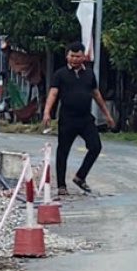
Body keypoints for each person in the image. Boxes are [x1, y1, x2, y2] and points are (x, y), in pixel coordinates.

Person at [41, 47, 116, 194]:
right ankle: (61, 186)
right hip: (67, 119)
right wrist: (46, 112)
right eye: (72, 56)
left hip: (85, 119)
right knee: (63, 151)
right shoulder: (60, 74)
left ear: (84, 57)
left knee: (95, 147)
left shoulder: (89, 74)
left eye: (78, 56)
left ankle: (80, 177)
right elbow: (53, 94)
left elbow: (97, 95)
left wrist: (107, 115)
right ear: (67, 56)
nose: (74, 59)